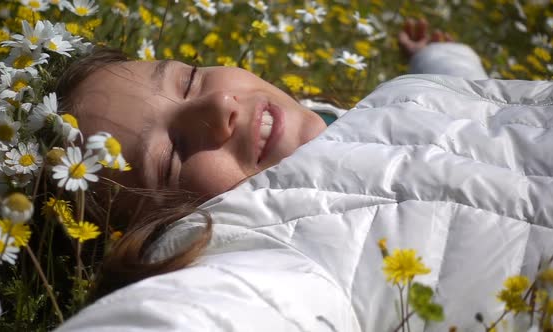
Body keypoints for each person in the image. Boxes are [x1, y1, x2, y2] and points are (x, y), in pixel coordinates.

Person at [54, 19, 490, 299]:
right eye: (172, 157)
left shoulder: (348, 111)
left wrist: (437, 59)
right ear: (165, 243)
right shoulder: (287, 273)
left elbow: (470, 116)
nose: (220, 102)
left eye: (188, 80)